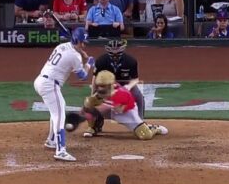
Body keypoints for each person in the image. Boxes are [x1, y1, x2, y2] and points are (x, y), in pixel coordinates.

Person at [34, 27, 94, 162]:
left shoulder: (62, 46)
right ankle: (60, 151)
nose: (84, 45)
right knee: (59, 115)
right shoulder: (75, 56)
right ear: (76, 40)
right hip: (50, 85)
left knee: (55, 112)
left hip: (40, 81)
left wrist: (80, 56)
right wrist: (89, 63)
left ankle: (51, 141)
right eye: (82, 43)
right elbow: (82, 76)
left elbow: (71, 56)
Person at [82, 70, 167, 139]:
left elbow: (119, 110)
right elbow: (91, 105)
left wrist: (101, 108)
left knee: (145, 135)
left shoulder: (120, 94)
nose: (100, 88)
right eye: (99, 85)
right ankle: (92, 128)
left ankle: (153, 128)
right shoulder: (101, 91)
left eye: (103, 86)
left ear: (110, 85)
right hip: (112, 110)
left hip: (127, 113)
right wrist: (87, 109)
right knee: (88, 103)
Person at [92, 38, 145, 132]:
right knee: (94, 101)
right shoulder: (101, 61)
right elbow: (95, 78)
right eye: (112, 52)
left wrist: (128, 87)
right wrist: (93, 92)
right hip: (107, 87)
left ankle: (140, 122)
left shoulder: (131, 61)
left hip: (125, 84)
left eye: (117, 52)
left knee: (139, 97)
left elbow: (135, 79)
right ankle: (96, 124)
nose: (115, 54)